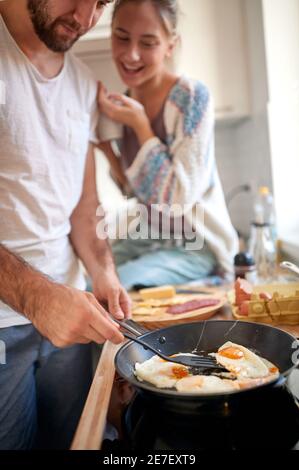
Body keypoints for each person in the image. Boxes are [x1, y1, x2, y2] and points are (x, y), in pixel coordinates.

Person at [0, 0, 132, 450]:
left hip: (71, 319)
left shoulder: (81, 83)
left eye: (102, 3)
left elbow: (83, 207)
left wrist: (103, 271)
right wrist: (38, 299)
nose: (86, 17)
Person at [97, 0, 239, 290]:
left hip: (197, 245)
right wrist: (104, 146)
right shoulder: (125, 104)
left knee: (116, 287)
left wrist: (140, 125)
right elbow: (136, 191)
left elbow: (177, 199)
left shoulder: (191, 98)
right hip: (149, 236)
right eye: (121, 37)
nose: (131, 54)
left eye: (148, 43)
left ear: (170, 45)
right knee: (90, 281)